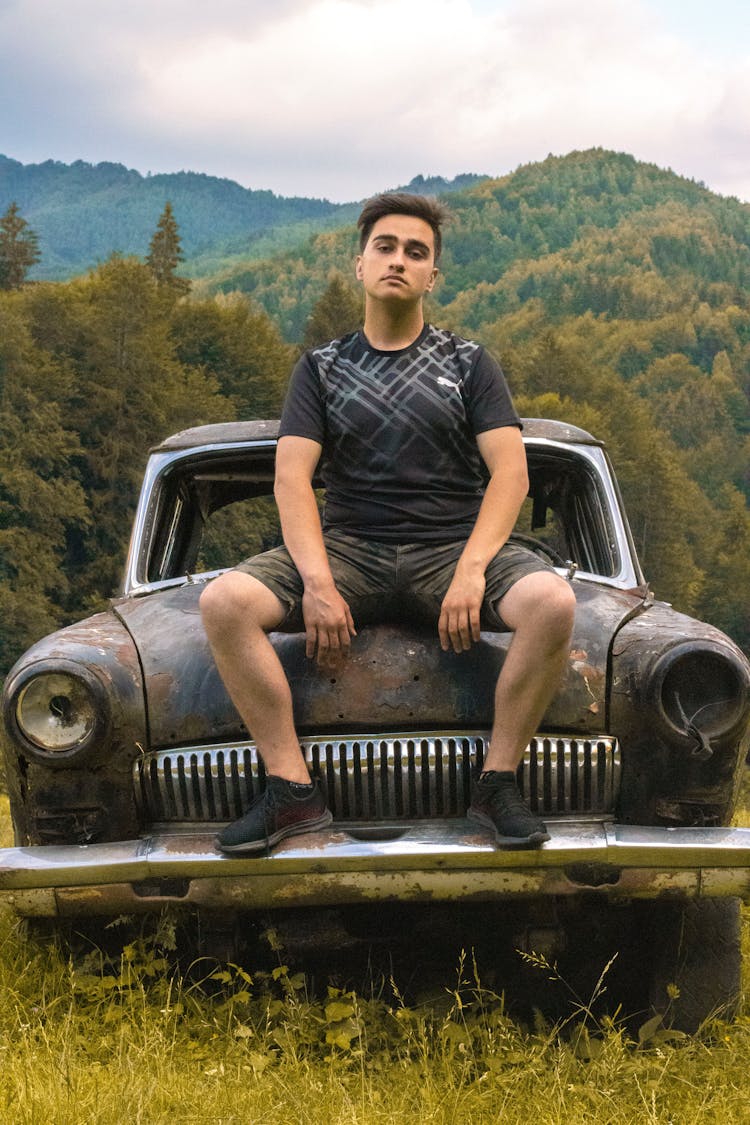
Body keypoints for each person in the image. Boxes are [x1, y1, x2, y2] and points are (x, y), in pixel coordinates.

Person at [200, 192, 576, 855]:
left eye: (416, 252)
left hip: (451, 546)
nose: (398, 260)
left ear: (434, 275)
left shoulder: (469, 365)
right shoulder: (321, 369)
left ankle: (497, 783)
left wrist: (471, 568)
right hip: (350, 550)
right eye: (386, 247)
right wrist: (317, 581)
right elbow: (292, 479)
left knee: (552, 601)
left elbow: (511, 474)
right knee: (224, 602)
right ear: (360, 263)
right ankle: (291, 791)